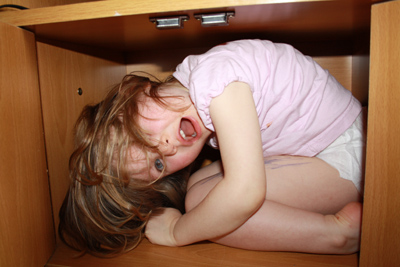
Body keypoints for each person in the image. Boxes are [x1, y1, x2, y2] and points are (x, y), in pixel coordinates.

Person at [59, 39, 365, 257]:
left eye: (141, 137)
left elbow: (245, 192)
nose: (165, 148)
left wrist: (178, 232)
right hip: (324, 144)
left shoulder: (216, 82)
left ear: (136, 93)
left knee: (211, 203)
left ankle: (336, 235)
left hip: (347, 154)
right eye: (158, 166)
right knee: (197, 187)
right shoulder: (200, 81)